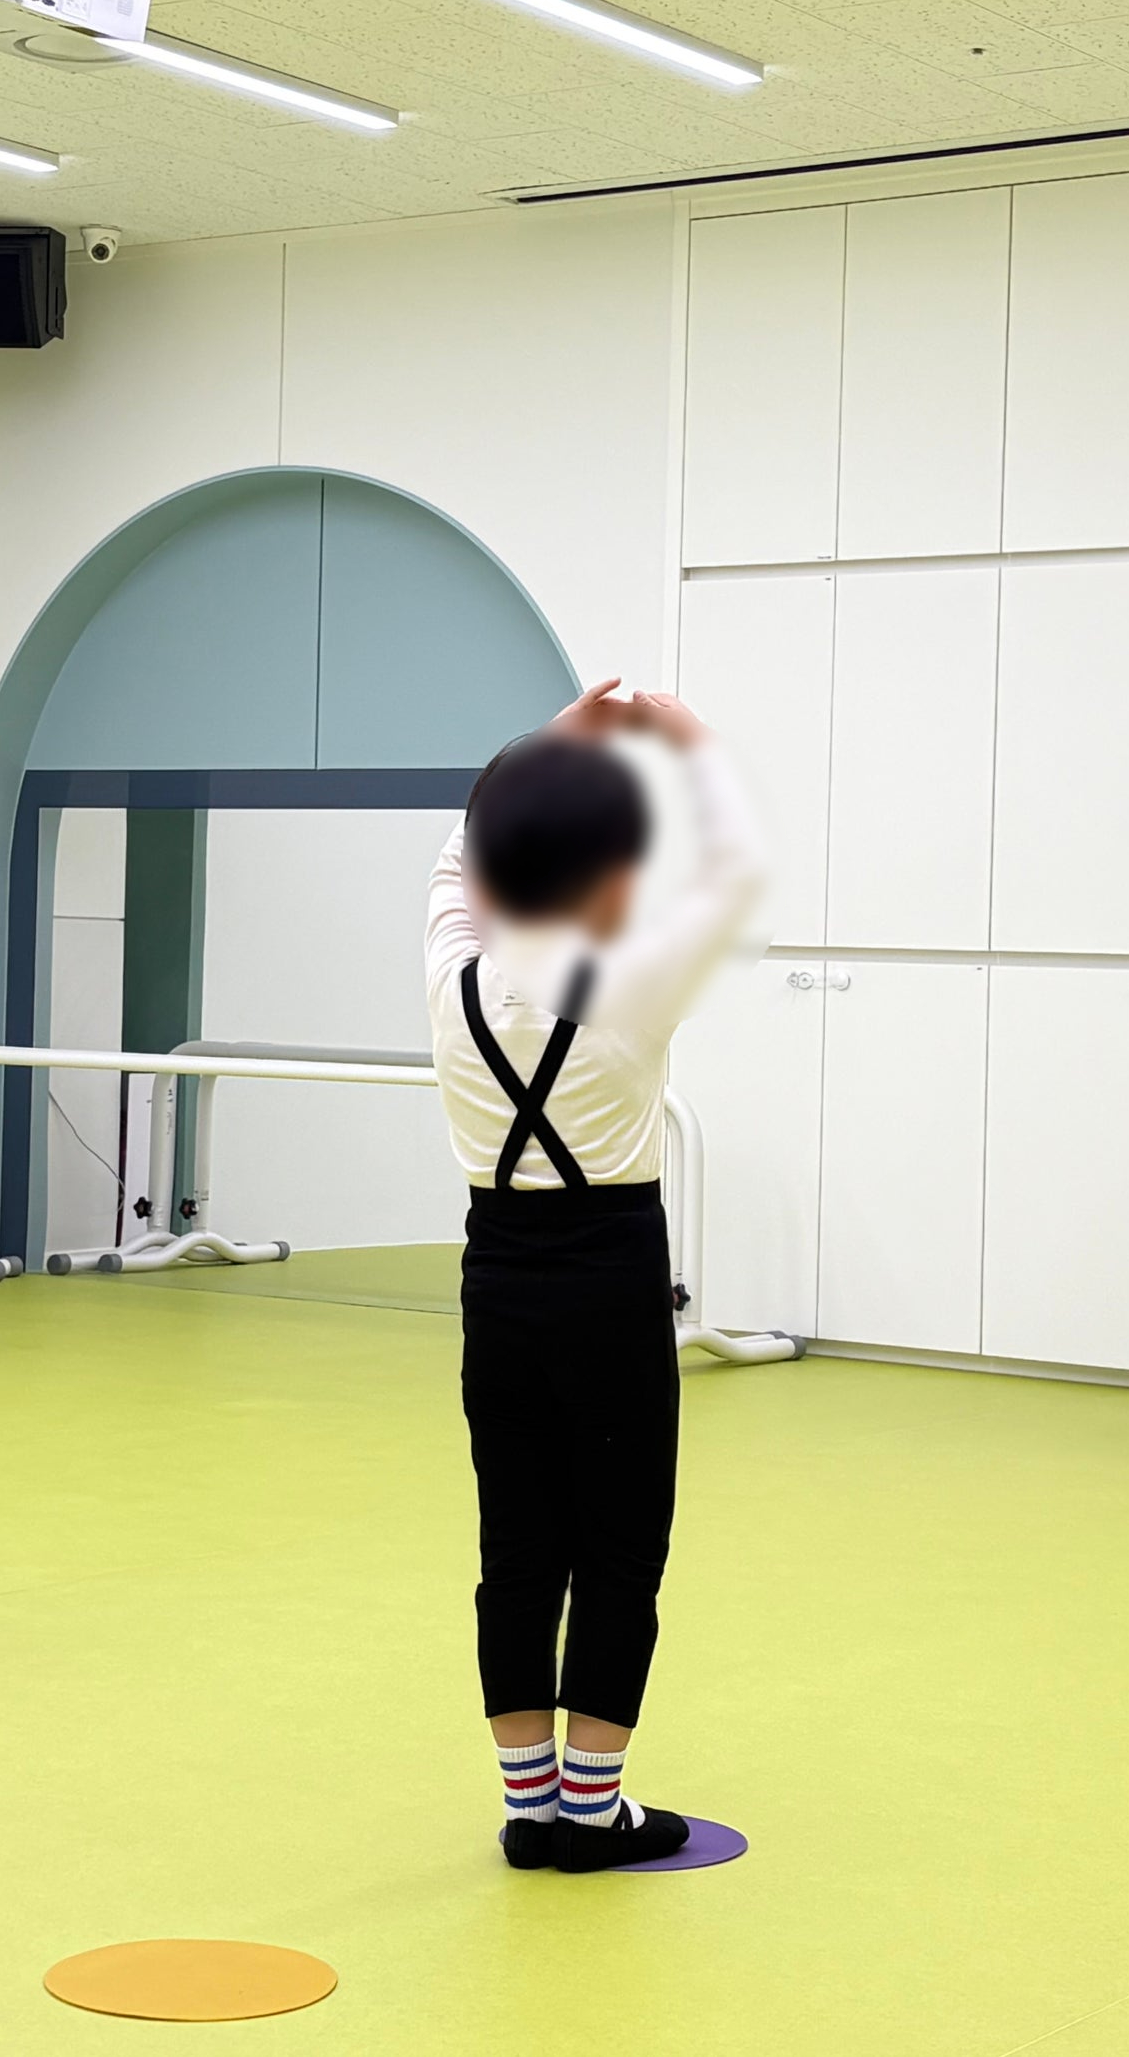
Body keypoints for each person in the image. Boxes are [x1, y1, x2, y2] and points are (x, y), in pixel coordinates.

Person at [423, 679, 762, 1871]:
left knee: (517, 1546)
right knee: (620, 1547)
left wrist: (551, 745)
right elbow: (733, 874)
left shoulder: (452, 977)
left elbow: (457, 857)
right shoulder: (635, 986)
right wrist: (690, 744)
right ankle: (592, 1809)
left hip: (496, 1280)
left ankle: (529, 1808)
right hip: (611, 1279)